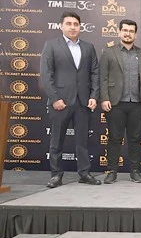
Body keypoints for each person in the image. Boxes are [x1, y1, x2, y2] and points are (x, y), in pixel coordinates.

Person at [40, 11, 101, 188]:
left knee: (83, 141)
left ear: (80, 27)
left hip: (83, 102)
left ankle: (84, 173)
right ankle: (56, 175)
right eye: (69, 24)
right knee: (56, 140)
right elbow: (46, 74)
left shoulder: (88, 47)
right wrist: (55, 98)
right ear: (61, 26)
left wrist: (94, 96)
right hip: (60, 102)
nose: (73, 27)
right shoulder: (51, 45)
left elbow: (95, 73)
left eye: (76, 24)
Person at [99, 19, 141, 184]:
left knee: (135, 139)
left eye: (131, 31)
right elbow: (103, 78)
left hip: (137, 104)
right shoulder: (108, 52)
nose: (128, 33)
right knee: (114, 138)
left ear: (135, 34)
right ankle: (112, 171)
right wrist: (104, 98)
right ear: (119, 32)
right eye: (125, 30)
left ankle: (135, 171)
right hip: (115, 103)